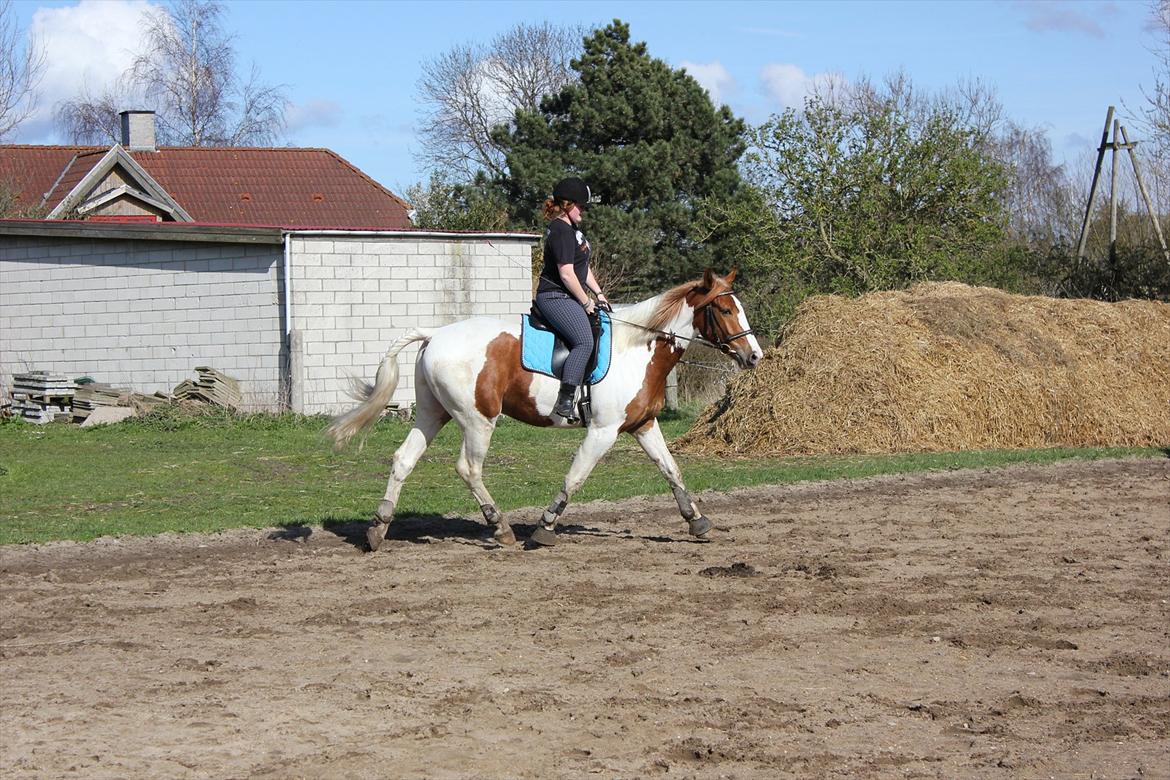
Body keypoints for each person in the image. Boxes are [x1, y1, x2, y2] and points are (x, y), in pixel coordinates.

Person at [534, 177, 609, 419]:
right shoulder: (560, 231)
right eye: (581, 206)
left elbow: (582, 268)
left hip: (569, 296)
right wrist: (586, 302)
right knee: (584, 341)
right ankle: (565, 400)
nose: (584, 211)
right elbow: (566, 274)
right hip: (555, 297)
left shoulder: (574, 232)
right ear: (567, 205)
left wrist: (598, 294)